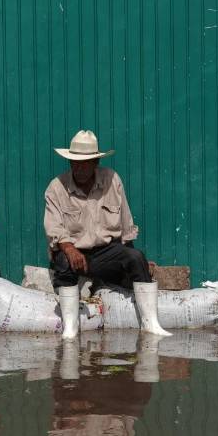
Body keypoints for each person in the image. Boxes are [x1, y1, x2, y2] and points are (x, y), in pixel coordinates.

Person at [43, 130, 171, 338]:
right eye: (75, 162)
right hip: (72, 251)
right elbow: (54, 228)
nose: (80, 167)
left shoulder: (112, 179)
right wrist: (69, 248)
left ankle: (151, 323)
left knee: (136, 258)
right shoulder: (56, 187)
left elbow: (125, 223)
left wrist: (132, 259)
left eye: (85, 163)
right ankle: (70, 327)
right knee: (64, 263)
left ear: (95, 162)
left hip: (105, 252)